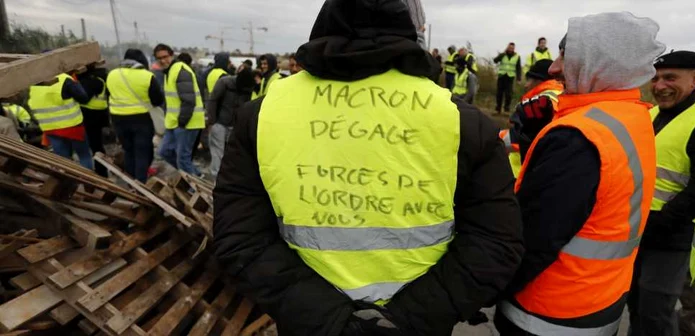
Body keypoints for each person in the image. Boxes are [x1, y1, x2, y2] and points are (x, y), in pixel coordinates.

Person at [213, 1, 524, 335]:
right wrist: (406, 319)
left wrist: (330, 319)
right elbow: (496, 242)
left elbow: (241, 238)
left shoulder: (262, 115)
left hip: (309, 325)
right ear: (410, 32)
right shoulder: (464, 122)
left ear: (323, 25)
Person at [494, 12, 665, 335]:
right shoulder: (633, 115)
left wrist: (484, 291)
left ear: (598, 63)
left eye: (566, 55)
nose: (555, 68)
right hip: (599, 301)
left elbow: (532, 239)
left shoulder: (578, 137)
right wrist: (536, 139)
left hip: (547, 310)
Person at [627, 50, 695, 336]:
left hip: (672, 235)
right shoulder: (654, 113)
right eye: (655, 78)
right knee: (636, 305)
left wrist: (661, 221)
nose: (659, 86)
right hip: (638, 229)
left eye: (670, 78)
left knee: (656, 309)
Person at [106, 49, 165, 183]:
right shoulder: (146, 76)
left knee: (128, 150)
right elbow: (157, 100)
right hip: (141, 119)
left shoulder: (111, 74)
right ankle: (140, 184)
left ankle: (130, 182)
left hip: (118, 119)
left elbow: (108, 95)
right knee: (142, 152)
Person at [499, 59, 563, 177]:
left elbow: (517, 138)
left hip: (521, 175)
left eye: (529, 79)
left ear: (539, 81)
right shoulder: (563, 95)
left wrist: (494, 138)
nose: (526, 84)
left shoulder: (539, 102)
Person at [156, 44, 206, 176]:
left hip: (187, 122)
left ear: (171, 55)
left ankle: (193, 189)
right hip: (175, 122)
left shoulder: (180, 70)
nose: (162, 60)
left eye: (165, 57)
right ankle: (195, 175)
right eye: (159, 58)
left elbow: (189, 100)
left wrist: (182, 122)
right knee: (164, 152)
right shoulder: (169, 72)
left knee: (182, 158)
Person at [28, 73, 93, 169]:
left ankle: (70, 183)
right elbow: (83, 98)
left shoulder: (34, 83)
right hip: (72, 126)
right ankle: (89, 181)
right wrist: (76, 82)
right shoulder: (64, 79)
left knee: (63, 161)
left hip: (50, 128)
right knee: (84, 155)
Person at [206, 67, 254, 179]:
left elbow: (246, 106)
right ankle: (215, 179)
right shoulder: (224, 82)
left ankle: (227, 178)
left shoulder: (247, 88)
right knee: (217, 153)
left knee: (231, 154)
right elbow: (213, 101)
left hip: (235, 126)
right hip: (219, 124)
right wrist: (211, 122)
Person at [78, 65, 110, 177]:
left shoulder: (92, 81)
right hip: (100, 115)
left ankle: (101, 172)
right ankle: (102, 171)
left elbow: (84, 98)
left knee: (94, 146)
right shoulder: (102, 77)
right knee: (97, 145)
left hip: (90, 116)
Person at [493, 42, 522, 114]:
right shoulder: (503, 55)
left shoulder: (517, 56)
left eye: (512, 48)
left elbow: (518, 68)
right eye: (509, 47)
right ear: (507, 47)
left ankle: (506, 109)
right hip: (501, 76)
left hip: (510, 77)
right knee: (499, 93)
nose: (511, 49)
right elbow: (495, 61)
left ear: (514, 49)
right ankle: (498, 109)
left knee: (508, 94)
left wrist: (518, 78)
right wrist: (502, 54)